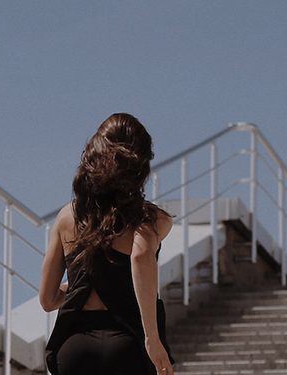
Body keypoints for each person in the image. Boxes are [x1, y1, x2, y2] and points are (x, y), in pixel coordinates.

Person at [39, 113, 175, 375]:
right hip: (126, 348)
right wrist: (152, 339)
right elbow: (140, 256)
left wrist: (83, 283)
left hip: (74, 348)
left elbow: (47, 299)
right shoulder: (151, 219)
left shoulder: (67, 216)